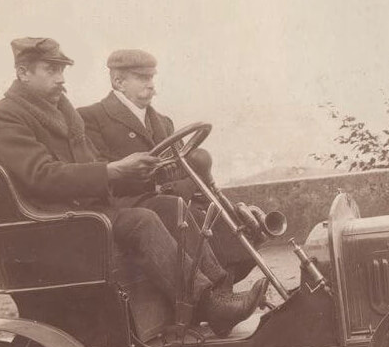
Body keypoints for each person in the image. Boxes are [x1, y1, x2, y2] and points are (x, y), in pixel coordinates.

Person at [0, 37, 267, 336]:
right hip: (49, 225)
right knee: (141, 220)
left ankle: (220, 295)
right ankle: (207, 303)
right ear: (23, 73)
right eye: (51, 70)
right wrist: (112, 170)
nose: (61, 78)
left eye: (62, 70)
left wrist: (134, 173)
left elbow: (89, 168)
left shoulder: (64, 114)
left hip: (84, 214)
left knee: (170, 206)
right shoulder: (3, 117)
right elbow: (41, 176)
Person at [78, 49, 258, 282]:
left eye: (152, 77)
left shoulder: (163, 122)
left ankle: (229, 280)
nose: (151, 84)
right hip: (128, 205)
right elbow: (101, 173)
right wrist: (160, 185)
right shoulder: (91, 118)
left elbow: (183, 168)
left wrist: (184, 185)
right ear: (118, 81)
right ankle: (214, 289)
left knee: (215, 210)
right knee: (176, 209)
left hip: (168, 199)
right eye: (142, 78)